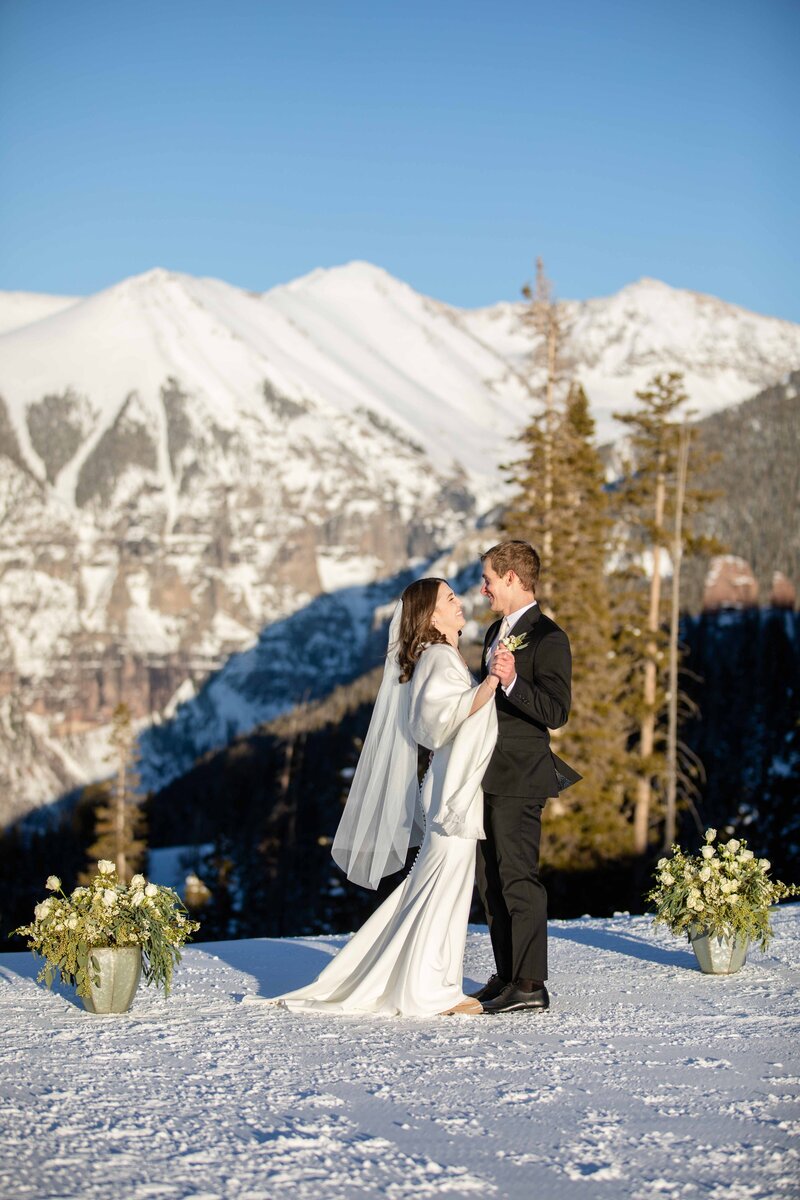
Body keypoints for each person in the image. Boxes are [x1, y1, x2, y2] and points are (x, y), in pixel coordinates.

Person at [244, 577, 500, 1017]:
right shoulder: (439, 657)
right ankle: (432, 991)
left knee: (435, 888)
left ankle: (426, 981)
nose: (461, 603)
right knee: (443, 890)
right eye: (451, 599)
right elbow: (432, 724)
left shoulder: (442, 656)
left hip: (452, 786)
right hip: (451, 792)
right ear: (433, 616)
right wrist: (490, 685)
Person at [471, 540, 580, 1015]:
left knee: (519, 879)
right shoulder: (496, 629)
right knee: (490, 881)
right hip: (485, 774)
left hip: (521, 776)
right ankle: (507, 974)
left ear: (512, 578)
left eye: (489, 579)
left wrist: (514, 681)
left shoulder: (549, 638)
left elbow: (556, 712)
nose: (483, 589)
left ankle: (531, 983)